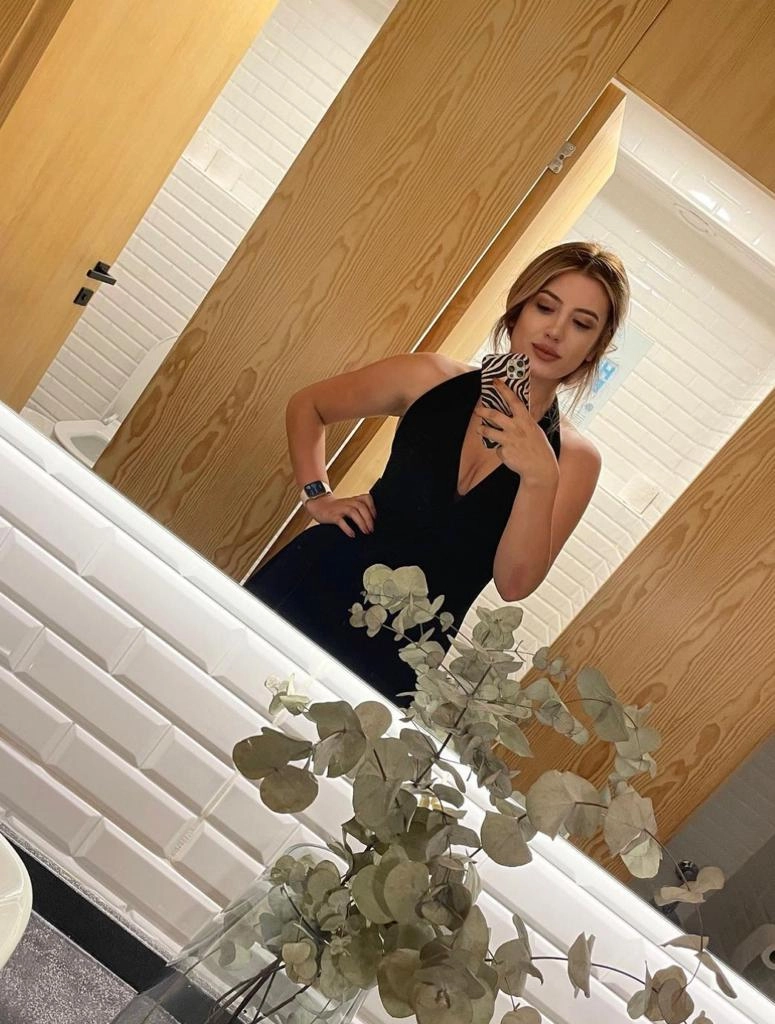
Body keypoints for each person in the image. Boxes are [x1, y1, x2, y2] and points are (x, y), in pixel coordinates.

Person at [245, 241, 630, 703]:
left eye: (581, 323)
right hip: (313, 578)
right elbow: (309, 405)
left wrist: (539, 477)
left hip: (404, 648)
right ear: (518, 311)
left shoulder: (575, 460)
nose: (555, 330)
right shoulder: (427, 376)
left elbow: (513, 584)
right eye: (545, 307)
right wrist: (318, 495)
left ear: (594, 348)